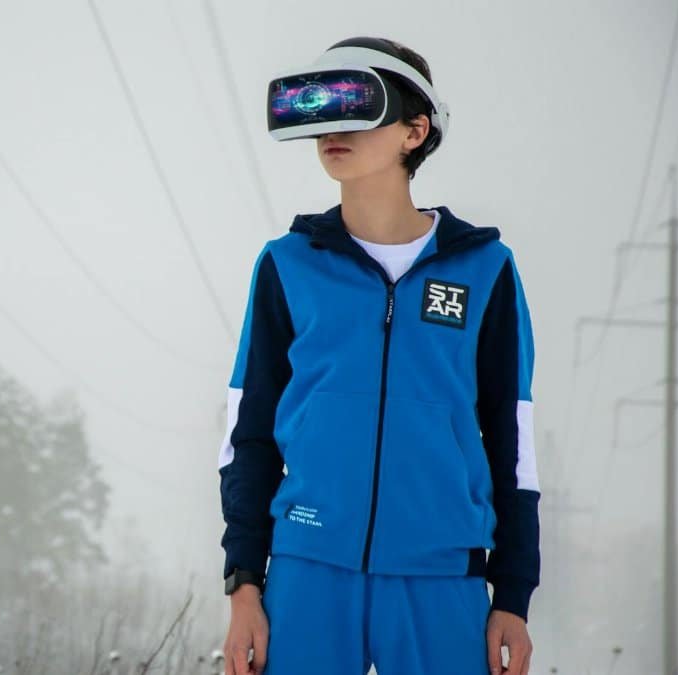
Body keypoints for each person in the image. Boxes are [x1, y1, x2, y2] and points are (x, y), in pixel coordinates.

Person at [217, 36, 540, 675]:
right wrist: (244, 584)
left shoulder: (486, 270)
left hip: (441, 575)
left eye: (357, 112)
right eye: (323, 116)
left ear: (414, 130)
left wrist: (514, 595)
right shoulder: (288, 265)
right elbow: (247, 435)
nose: (333, 132)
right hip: (308, 569)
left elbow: (513, 438)